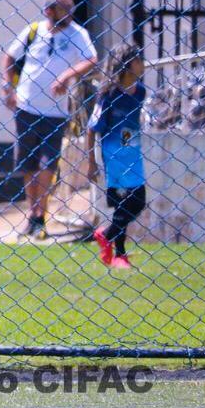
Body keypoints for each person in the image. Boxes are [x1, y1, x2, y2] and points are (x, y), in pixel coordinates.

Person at [2, 0, 98, 239]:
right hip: (26, 107)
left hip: (55, 112)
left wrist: (67, 76)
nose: (69, 14)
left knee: (47, 164)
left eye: (70, 8)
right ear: (49, 11)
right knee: (28, 165)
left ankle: (39, 216)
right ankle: (32, 215)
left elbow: (91, 59)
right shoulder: (33, 31)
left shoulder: (78, 34)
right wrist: (9, 88)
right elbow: (10, 58)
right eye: (64, 9)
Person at [87, 44, 147, 270]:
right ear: (128, 63)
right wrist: (91, 162)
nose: (142, 64)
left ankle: (107, 237)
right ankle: (119, 254)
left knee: (136, 201)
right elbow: (92, 128)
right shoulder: (108, 95)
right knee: (128, 202)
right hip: (115, 158)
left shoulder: (140, 91)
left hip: (134, 155)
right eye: (138, 59)